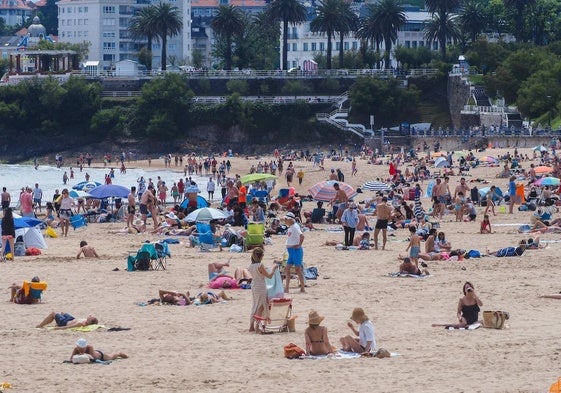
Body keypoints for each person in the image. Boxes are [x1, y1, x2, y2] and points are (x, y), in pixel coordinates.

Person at [248, 247, 279, 332]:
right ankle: (257, 326)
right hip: (261, 286)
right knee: (261, 306)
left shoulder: (251, 266)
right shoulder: (260, 265)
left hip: (254, 285)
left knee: (255, 304)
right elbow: (269, 275)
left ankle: (251, 325)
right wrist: (274, 268)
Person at [283, 212, 305, 294]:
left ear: (290, 220)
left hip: (296, 251)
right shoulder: (291, 227)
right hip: (291, 251)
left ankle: (302, 288)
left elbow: (302, 236)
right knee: (287, 268)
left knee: (298, 270)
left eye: (286, 219)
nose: (285, 221)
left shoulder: (295, 227)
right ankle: (287, 288)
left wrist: (299, 245)